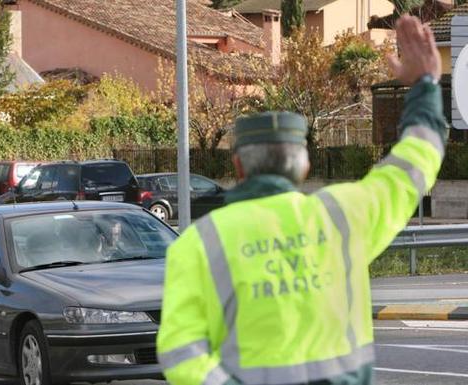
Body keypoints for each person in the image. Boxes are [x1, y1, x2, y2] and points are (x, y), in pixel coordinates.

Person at [157, 15, 447, 385]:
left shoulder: (199, 244)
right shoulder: (345, 215)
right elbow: (416, 160)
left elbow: (180, 351)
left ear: (238, 166)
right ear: (306, 166)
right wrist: (425, 85)